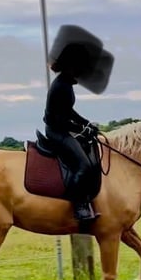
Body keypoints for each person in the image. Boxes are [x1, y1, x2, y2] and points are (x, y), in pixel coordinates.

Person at [43, 43, 100, 222]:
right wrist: (81, 129)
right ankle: (79, 207)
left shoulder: (66, 83)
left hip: (60, 128)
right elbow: (61, 120)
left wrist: (86, 123)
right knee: (84, 166)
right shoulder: (62, 86)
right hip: (57, 132)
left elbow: (68, 111)